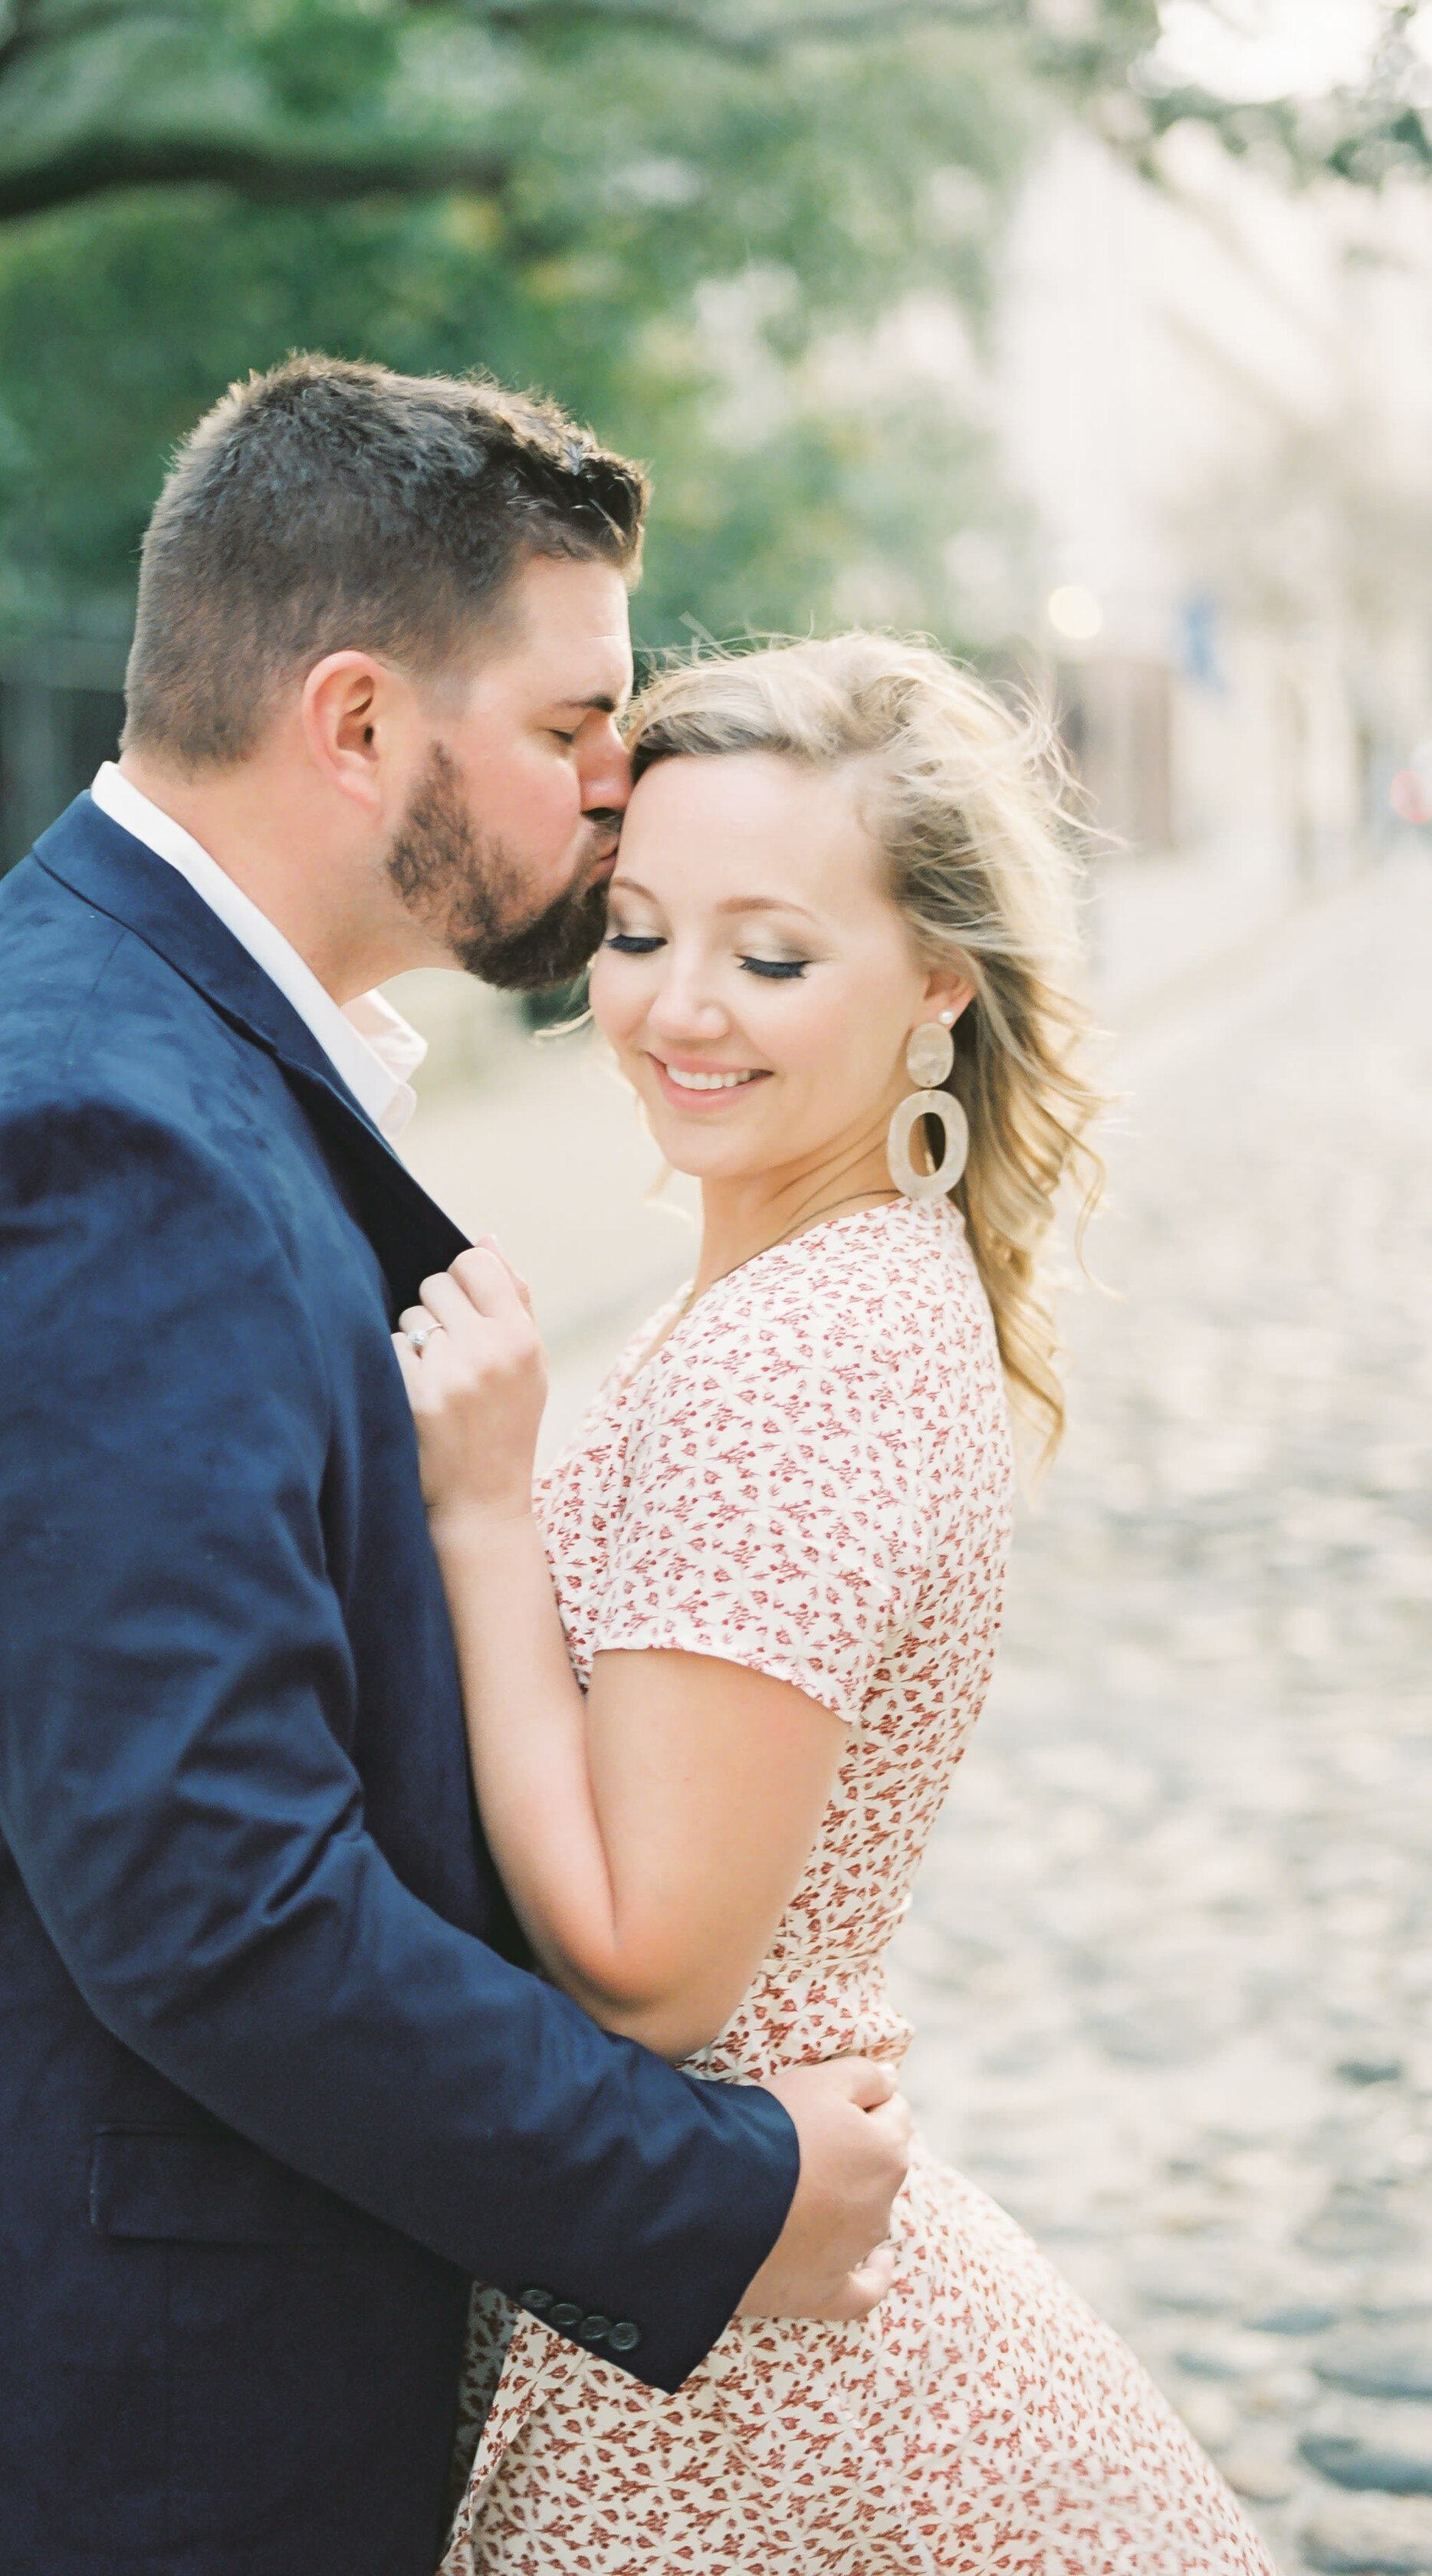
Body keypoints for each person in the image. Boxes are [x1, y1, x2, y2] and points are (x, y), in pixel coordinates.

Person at [0, 360, 915, 2576]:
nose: (618, 780)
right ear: (358, 723)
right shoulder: (86, 1136)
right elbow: (214, 1898)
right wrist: (720, 2197)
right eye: (574, 722)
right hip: (114, 2409)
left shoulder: (168, 1042)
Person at [398, 635, 1279, 2573]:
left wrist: (474, 1510)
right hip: (722, 2271)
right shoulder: (844, 1289)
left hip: (734, 2372)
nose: (676, 1011)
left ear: (937, 984)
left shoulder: (803, 1356)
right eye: (634, 933)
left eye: (771, 957)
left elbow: (647, 1963)